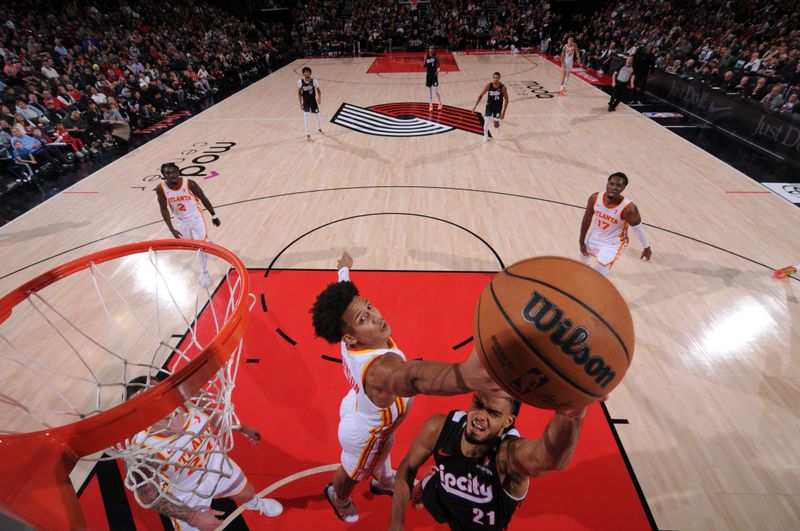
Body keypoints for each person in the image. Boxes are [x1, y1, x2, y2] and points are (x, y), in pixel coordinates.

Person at [311, 251, 506, 523]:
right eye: (363, 319)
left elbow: (346, 298)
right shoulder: (381, 370)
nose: (375, 316)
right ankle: (338, 496)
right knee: (353, 471)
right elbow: (414, 377)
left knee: (385, 449)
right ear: (349, 335)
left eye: (369, 307)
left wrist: (343, 270)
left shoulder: (349, 337)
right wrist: (467, 376)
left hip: (358, 407)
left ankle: (384, 481)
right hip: (367, 434)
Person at [389, 393, 586, 531]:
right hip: (441, 498)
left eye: (493, 413)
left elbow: (550, 459)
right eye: (478, 403)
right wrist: (396, 524)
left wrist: (570, 419)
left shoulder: (509, 456)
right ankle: (430, 481)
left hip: (479, 525)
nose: (480, 416)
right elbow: (406, 469)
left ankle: (436, 477)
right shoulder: (439, 427)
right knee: (428, 489)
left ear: (508, 422)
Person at [124, 376, 283, 530]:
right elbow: (148, 496)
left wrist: (242, 428)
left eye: (158, 393)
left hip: (216, 465)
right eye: (148, 402)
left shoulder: (190, 399)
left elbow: (215, 416)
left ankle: (253, 504)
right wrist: (193, 517)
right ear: (140, 413)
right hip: (186, 494)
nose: (157, 402)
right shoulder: (142, 448)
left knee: (247, 492)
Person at [155, 162, 221, 287]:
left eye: (173, 172)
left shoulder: (190, 184)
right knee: (190, 243)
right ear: (163, 175)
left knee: (200, 247)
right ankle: (209, 242)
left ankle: (204, 272)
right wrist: (171, 229)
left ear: (178, 172)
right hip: (180, 220)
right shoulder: (161, 188)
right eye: (167, 173)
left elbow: (203, 199)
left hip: (196, 217)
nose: (171, 175)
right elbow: (163, 209)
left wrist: (214, 215)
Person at [579, 172, 652, 275]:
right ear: (607, 184)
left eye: (618, 185)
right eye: (611, 184)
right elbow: (586, 219)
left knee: (596, 274)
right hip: (595, 237)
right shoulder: (595, 198)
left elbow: (638, 229)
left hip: (613, 244)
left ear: (623, 188)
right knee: (581, 263)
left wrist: (647, 248)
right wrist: (581, 241)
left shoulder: (629, 209)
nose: (613, 187)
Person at [471, 72, 509, 143]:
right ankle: (485, 136)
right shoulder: (489, 85)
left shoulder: (503, 88)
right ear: (492, 78)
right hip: (489, 106)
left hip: (498, 107)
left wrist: (503, 112)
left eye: (497, 77)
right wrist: (475, 106)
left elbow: (507, 100)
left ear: (499, 78)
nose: (495, 79)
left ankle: (497, 127)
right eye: (494, 77)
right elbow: (481, 95)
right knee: (486, 123)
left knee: (496, 124)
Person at [297, 66, 322, 141]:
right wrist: (300, 103)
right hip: (306, 102)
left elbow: (319, 90)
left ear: (310, 73)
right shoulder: (300, 82)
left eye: (308, 72)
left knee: (317, 116)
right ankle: (308, 134)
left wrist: (319, 98)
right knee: (306, 118)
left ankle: (319, 129)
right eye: (305, 72)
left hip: (313, 101)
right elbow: (298, 92)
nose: (307, 73)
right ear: (303, 73)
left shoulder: (314, 81)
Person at [423, 46, 443, 111]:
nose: (431, 49)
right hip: (428, 75)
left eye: (432, 48)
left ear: (434, 50)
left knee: (436, 92)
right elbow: (424, 66)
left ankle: (440, 103)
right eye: (430, 48)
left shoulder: (436, 56)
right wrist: (424, 63)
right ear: (428, 49)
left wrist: (438, 70)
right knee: (429, 92)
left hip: (434, 75)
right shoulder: (426, 56)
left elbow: (439, 64)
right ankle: (430, 105)